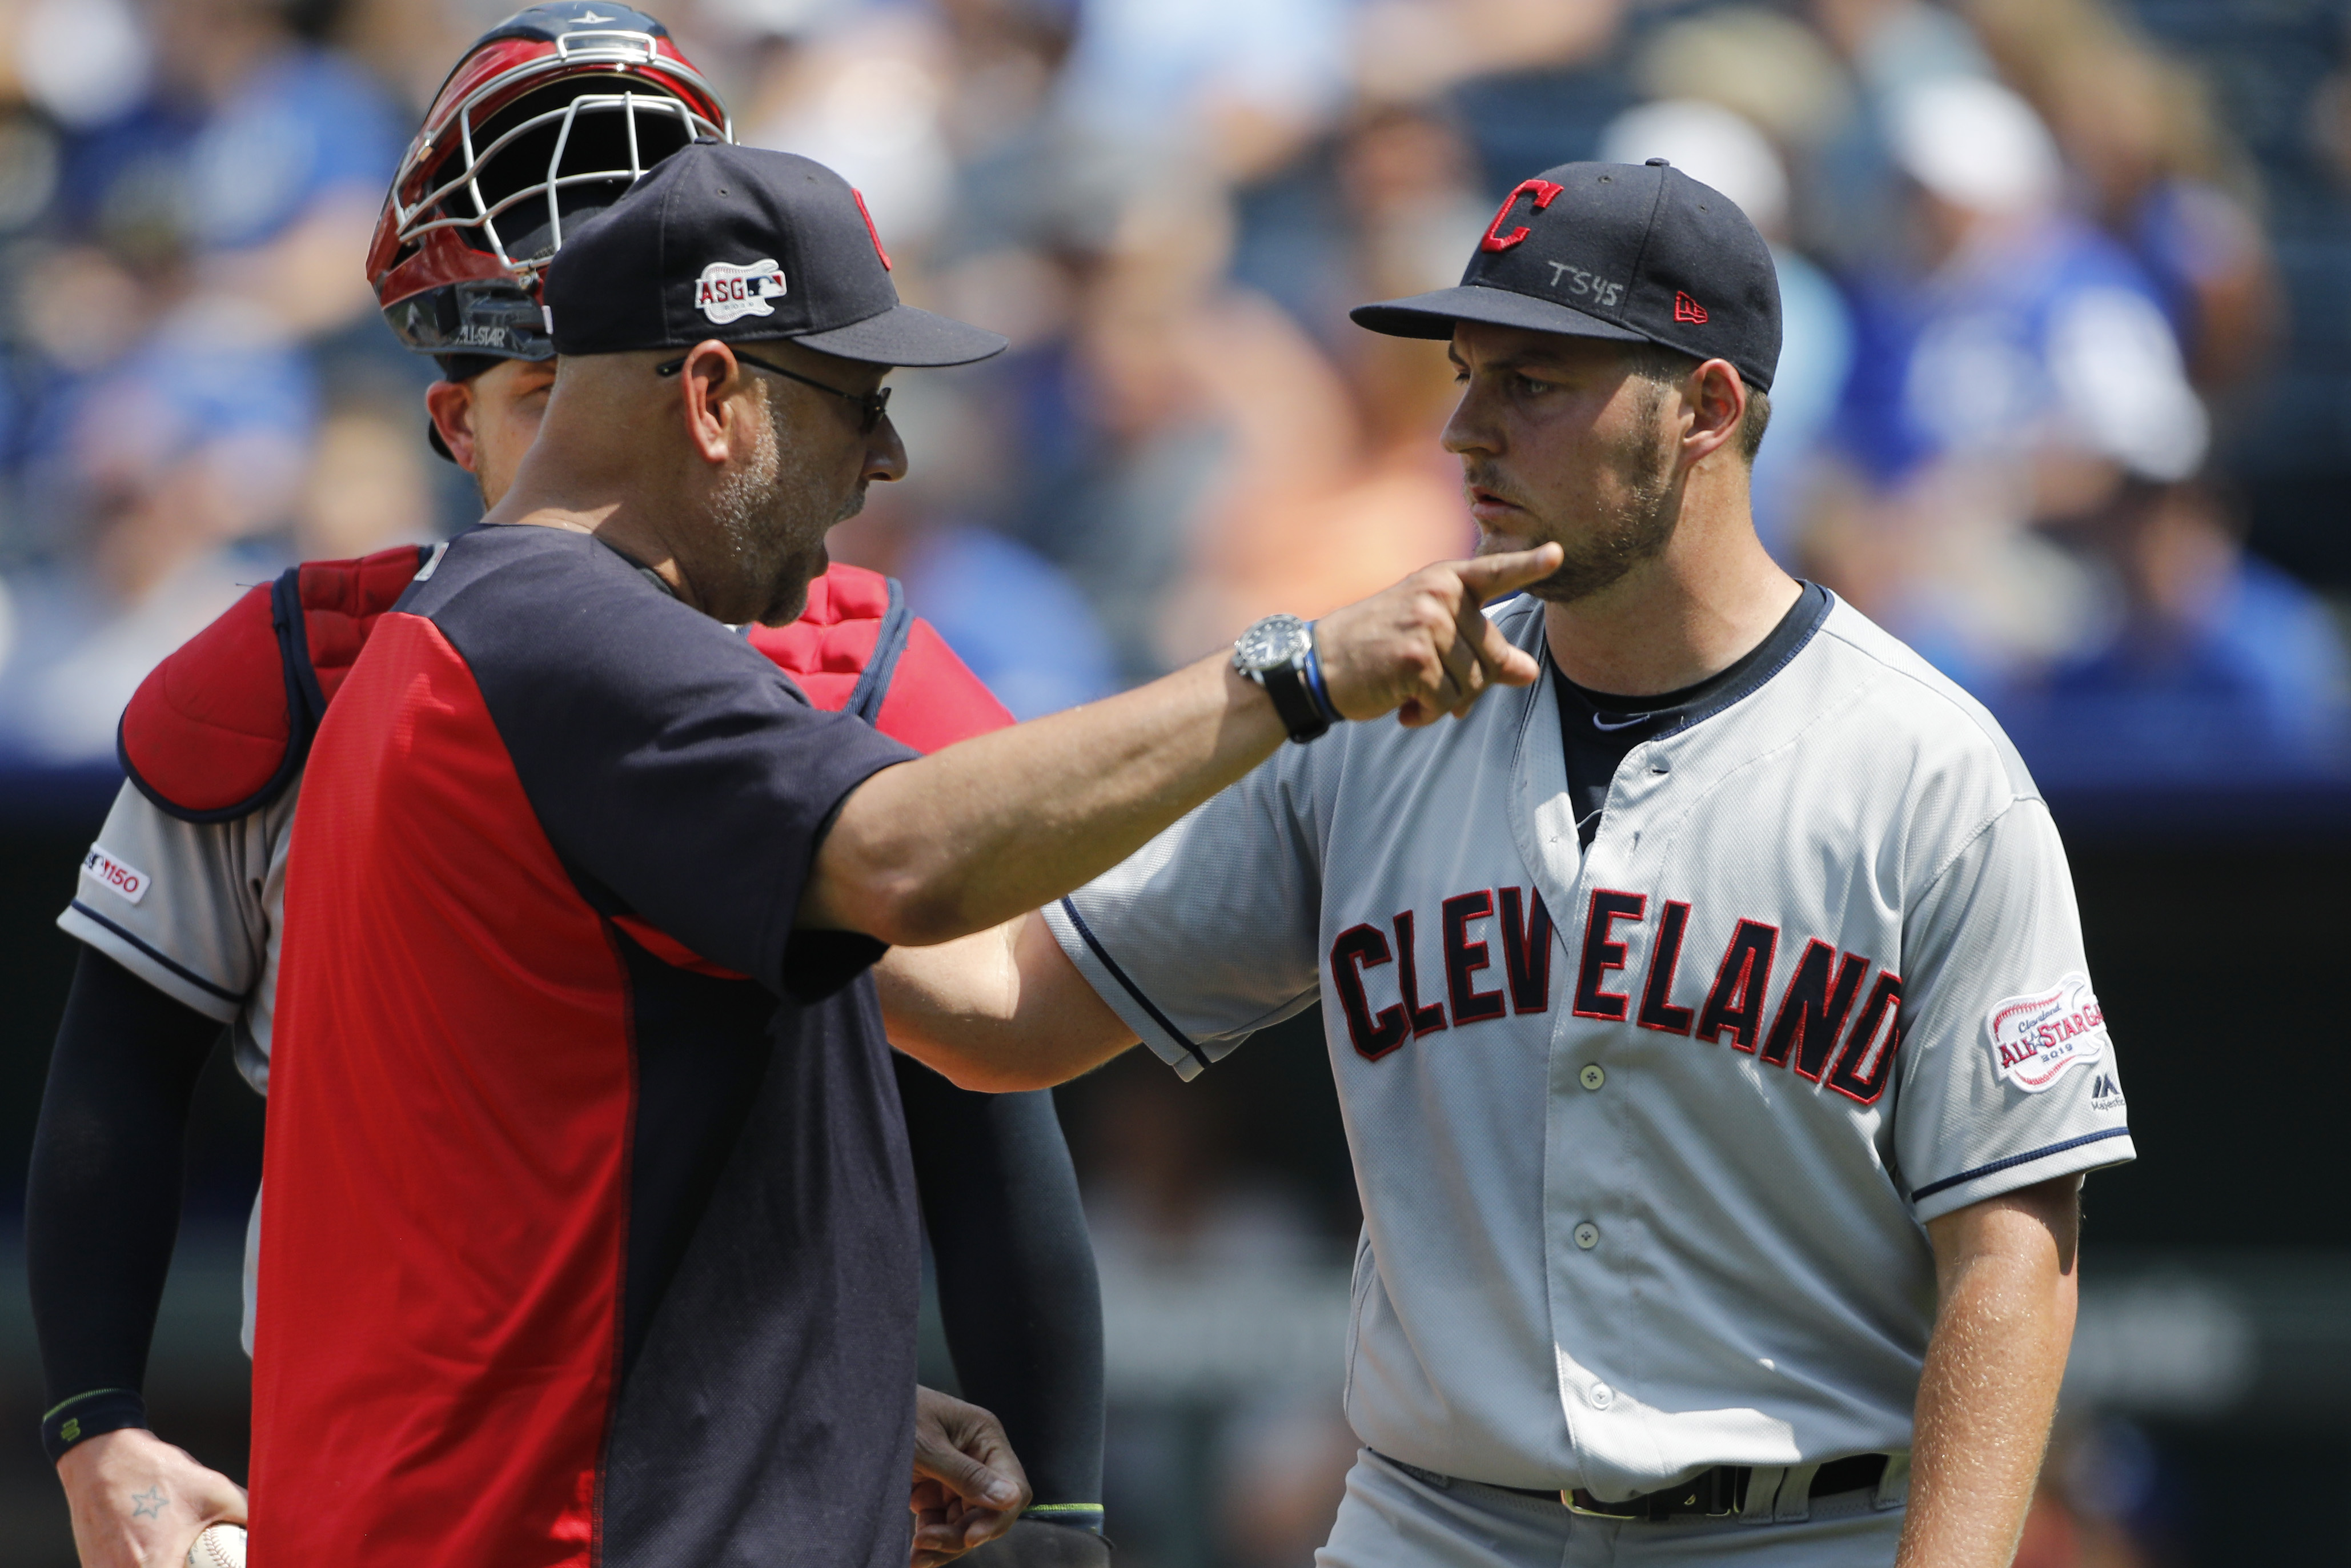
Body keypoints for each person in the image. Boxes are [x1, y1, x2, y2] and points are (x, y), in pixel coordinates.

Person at [246, 136, 1556, 1567]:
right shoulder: (570, 640)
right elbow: (907, 867)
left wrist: (825, 1397)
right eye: (858, 401)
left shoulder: (460, 640)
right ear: (713, 395)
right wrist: (1293, 671)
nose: (890, 457)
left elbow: (564, 1207)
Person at [877, 159, 2136, 1567]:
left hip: (1802, 1530)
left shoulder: (1925, 767)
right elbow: (1016, 1015)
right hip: (1430, 1520)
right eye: (1467, 374)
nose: (1464, 431)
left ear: (1705, 410)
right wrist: (765, 882)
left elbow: (2012, 1255)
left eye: (1533, 382)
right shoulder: (1369, 726)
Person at [26, 9, 1102, 1566]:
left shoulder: (849, 673)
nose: (618, 445)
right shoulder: (305, 675)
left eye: (648, 381)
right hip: (388, 1470)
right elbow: (116, 1070)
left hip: (715, 1476)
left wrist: (1050, 1498)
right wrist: (94, 1421)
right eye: (549, 396)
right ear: (459, 422)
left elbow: (990, 1104)